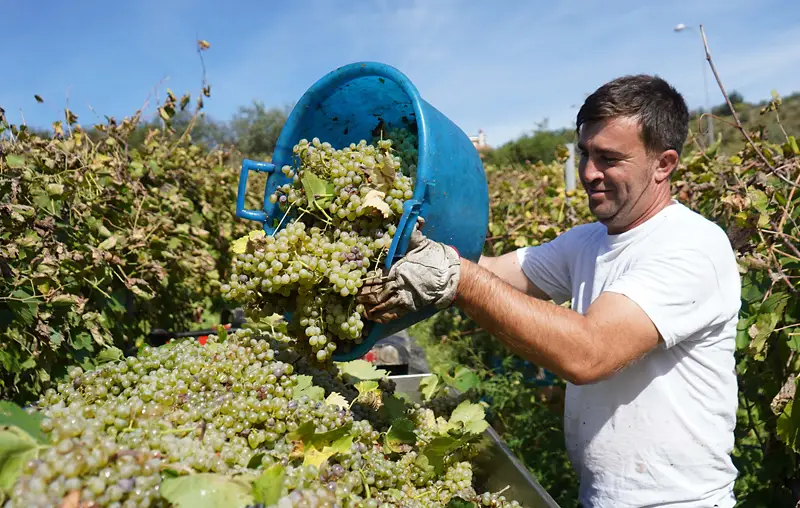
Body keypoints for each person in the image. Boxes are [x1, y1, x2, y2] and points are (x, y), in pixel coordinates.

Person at [357, 74, 741, 508]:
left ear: (664, 164)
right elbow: (493, 273)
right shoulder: (587, 242)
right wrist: (410, 243)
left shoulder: (691, 245)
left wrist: (457, 277)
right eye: (585, 154)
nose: (589, 172)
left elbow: (590, 353)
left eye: (609, 158)